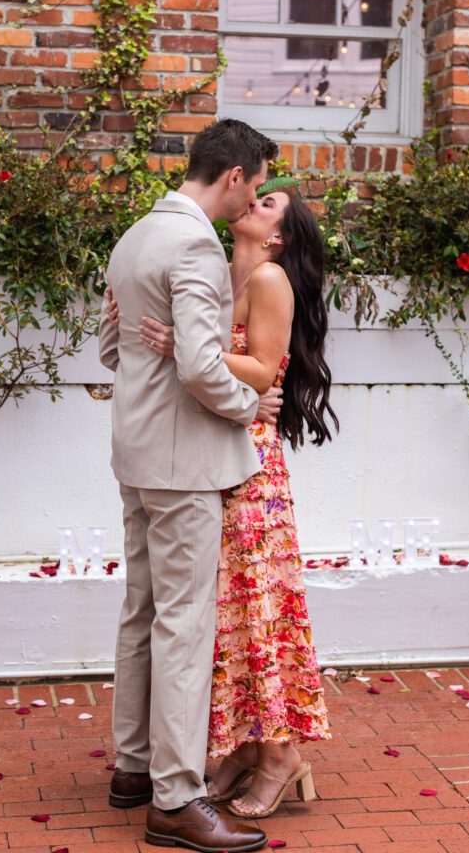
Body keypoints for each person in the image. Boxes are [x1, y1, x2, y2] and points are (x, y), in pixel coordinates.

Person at [109, 187, 337, 819]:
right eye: (257, 194)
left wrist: (181, 345)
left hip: (249, 465)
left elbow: (265, 371)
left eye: (269, 205)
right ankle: (242, 748)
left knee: (257, 606)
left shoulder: (267, 278)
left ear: (280, 237)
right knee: (226, 611)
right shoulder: (217, 265)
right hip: (213, 449)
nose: (254, 203)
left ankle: (282, 756)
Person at [98, 119, 284, 852]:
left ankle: (132, 769)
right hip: (182, 463)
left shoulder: (136, 236)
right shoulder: (196, 247)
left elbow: (111, 345)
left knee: (141, 612)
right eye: (258, 182)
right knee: (183, 624)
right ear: (233, 175)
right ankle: (174, 798)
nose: (257, 197)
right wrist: (251, 407)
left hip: (137, 453)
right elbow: (203, 367)